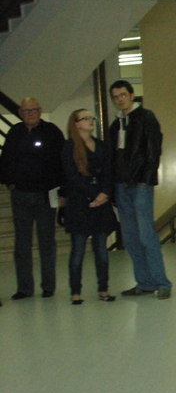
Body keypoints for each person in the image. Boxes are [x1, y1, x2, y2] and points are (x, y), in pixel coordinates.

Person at [107, 80, 172, 300]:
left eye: (123, 95)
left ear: (132, 95)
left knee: (146, 235)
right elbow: (112, 157)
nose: (120, 99)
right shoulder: (115, 126)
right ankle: (144, 283)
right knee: (130, 238)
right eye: (115, 97)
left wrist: (146, 179)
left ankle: (162, 283)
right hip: (120, 186)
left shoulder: (146, 118)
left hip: (140, 185)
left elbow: (154, 149)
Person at [0, 97, 65, 300]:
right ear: (20, 113)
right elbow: (5, 159)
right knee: (22, 243)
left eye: (33, 110)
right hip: (20, 195)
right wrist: (8, 181)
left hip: (45, 196)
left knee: (47, 242)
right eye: (26, 111)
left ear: (40, 110)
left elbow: (62, 162)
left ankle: (48, 286)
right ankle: (25, 288)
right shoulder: (14, 132)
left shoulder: (52, 132)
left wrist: (62, 191)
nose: (30, 114)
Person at [61, 109, 117, 305]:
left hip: (101, 202)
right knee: (78, 250)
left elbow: (108, 172)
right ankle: (75, 292)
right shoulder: (69, 147)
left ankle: (103, 289)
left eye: (91, 118)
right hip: (79, 203)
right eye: (85, 118)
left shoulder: (100, 146)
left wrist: (103, 195)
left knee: (101, 249)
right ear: (76, 124)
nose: (90, 121)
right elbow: (72, 176)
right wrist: (94, 195)